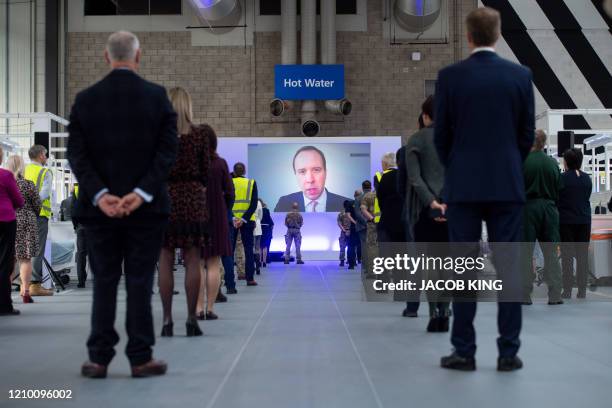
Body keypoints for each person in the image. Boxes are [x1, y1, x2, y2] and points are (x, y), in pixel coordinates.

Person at [68, 31, 177, 378]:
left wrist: (101, 195)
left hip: (99, 212)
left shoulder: (85, 100)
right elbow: (167, 153)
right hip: (146, 211)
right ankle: (140, 356)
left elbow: (77, 156)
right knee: (140, 281)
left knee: (104, 281)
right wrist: (141, 193)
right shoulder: (157, 98)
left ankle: (98, 358)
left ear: (105, 57)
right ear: (138, 56)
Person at [434, 7, 534, 372]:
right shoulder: (520, 76)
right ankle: (508, 353)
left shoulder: (450, 77)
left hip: (463, 186)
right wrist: (507, 163)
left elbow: (441, 136)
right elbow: (526, 135)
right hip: (507, 185)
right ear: (497, 34)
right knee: (510, 269)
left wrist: (457, 166)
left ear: (469, 35)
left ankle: (464, 351)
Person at [158, 87, 210, 338]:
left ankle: (167, 321)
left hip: (165, 200)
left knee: (165, 260)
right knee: (192, 259)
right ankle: (191, 319)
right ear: (188, 106)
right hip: (192, 200)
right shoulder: (200, 135)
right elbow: (205, 172)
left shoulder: (158, 135)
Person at [401, 96, 450, 332]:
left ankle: (434, 314)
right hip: (453, 210)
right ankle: (446, 311)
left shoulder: (416, 140)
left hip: (423, 212)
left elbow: (414, 178)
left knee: (428, 264)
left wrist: (432, 202)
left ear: (426, 115)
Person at [197, 124, 234, 320]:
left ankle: (197, 308)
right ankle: (210, 309)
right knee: (213, 263)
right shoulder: (220, 164)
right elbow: (230, 193)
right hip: (217, 218)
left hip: (196, 217)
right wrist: (223, 208)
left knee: (198, 264)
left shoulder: (192, 163)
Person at [522, 130, 563, 305]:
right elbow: (559, 188)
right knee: (551, 252)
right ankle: (555, 295)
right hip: (549, 209)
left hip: (528, 209)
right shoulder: (552, 163)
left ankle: (524, 294)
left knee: (525, 252)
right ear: (544, 144)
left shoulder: (522, 162)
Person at [6, 155, 41, 304]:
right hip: (27, 222)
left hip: (8, 221)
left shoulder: (4, 184)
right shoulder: (28, 184)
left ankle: (4, 292)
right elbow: (38, 205)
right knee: (25, 259)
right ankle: (26, 292)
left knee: (8, 259)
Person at [559, 148, 592, 299]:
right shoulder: (587, 178)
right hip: (584, 221)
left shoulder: (562, 178)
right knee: (582, 256)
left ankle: (567, 290)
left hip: (566, 221)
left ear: (567, 161)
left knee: (567, 256)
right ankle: (582, 290)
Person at [274, 146, 351, 212]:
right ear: (295, 175)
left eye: (316, 170)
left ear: (326, 173)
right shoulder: (283, 204)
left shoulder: (347, 205)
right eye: (302, 172)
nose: (310, 180)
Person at [24, 144, 53, 297]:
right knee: (37, 249)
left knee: (24, 248)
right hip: (39, 214)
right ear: (41, 155)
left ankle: (23, 283)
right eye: (45, 154)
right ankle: (35, 284)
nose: (46, 157)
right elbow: (45, 193)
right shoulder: (45, 171)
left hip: (22, 213)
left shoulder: (24, 170)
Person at [0, 147, 24, 315]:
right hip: (5, 221)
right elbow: (19, 201)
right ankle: (4, 305)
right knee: (4, 263)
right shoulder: (6, 175)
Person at [231, 162, 259, 286]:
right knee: (248, 249)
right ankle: (250, 278)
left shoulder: (229, 182)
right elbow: (253, 204)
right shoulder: (251, 183)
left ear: (234, 171)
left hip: (231, 220)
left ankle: (229, 280)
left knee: (229, 250)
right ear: (244, 171)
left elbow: (225, 201)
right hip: (248, 221)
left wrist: (233, 218)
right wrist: (243, 219)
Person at [375, 152, 404, 243]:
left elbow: (380, 197)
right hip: (402, 219)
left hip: (386, 218)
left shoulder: (379, 176)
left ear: (385, 163)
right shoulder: (404, 174)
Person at [70, 185, 89, 288]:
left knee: (81, 254)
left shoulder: (77, 189)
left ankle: (81, 280)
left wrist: (75, 225)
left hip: (81, 226)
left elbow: (73, 210)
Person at [354, 181, 372, 275]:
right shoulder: (375, 196)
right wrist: (370, 221)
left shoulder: (358, 198)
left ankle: (366, 267)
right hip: (373, 224)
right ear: (371, 186)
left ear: (362, 187)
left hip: (362, 226)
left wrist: (365, 222)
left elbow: (357, 213)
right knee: (373, 246)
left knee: (364, 246)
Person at [337, 200, 357, 268]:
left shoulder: (341, 214)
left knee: (342, 247)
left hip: (344, 232)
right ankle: (352, 261)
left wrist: (344, 230)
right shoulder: (353, 213)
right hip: (351, 231)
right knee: (352, 247)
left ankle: (342, 261)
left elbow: (339, 223)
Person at [260, 200, 274, 267]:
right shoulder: (266, 210)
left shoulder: (256, 210)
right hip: (266, 229)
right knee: (265, 246)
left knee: (259, 246)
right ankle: (264, 262)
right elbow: (270, 222)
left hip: (259, 228)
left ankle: (259, 262)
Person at [253, 198, 264, 275]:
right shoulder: (258, 202)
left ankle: (251, 266)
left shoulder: (249, 201)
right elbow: (261, 215)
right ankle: (258, 267)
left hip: (250, 226)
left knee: (250, 248)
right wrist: (258, 220)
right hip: (258, 226)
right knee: (257, 248)